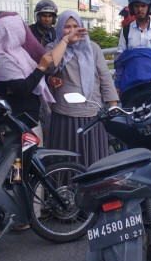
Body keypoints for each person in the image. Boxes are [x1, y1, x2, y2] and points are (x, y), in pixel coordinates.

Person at [0, 13, 80, 141]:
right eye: (21, 29)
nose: (25, 33)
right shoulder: (1, 59)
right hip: (18, 121)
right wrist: (41, 67)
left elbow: (31, 77)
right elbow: (23, 88)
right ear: (11, 33)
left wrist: (47, 78)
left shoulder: (18, 52)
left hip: (30, 116)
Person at [46, 10, 119, 167]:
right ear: (59, 28)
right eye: (67, 27)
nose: (72, 30)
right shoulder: (53, 47)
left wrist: (113, 104)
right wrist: (65, 40)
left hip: (92, 113)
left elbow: (105, 76)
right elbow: (50, 67)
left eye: (75, 26)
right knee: (66, 160)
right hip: (65, 114)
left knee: (93, 160)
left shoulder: (92, 48)